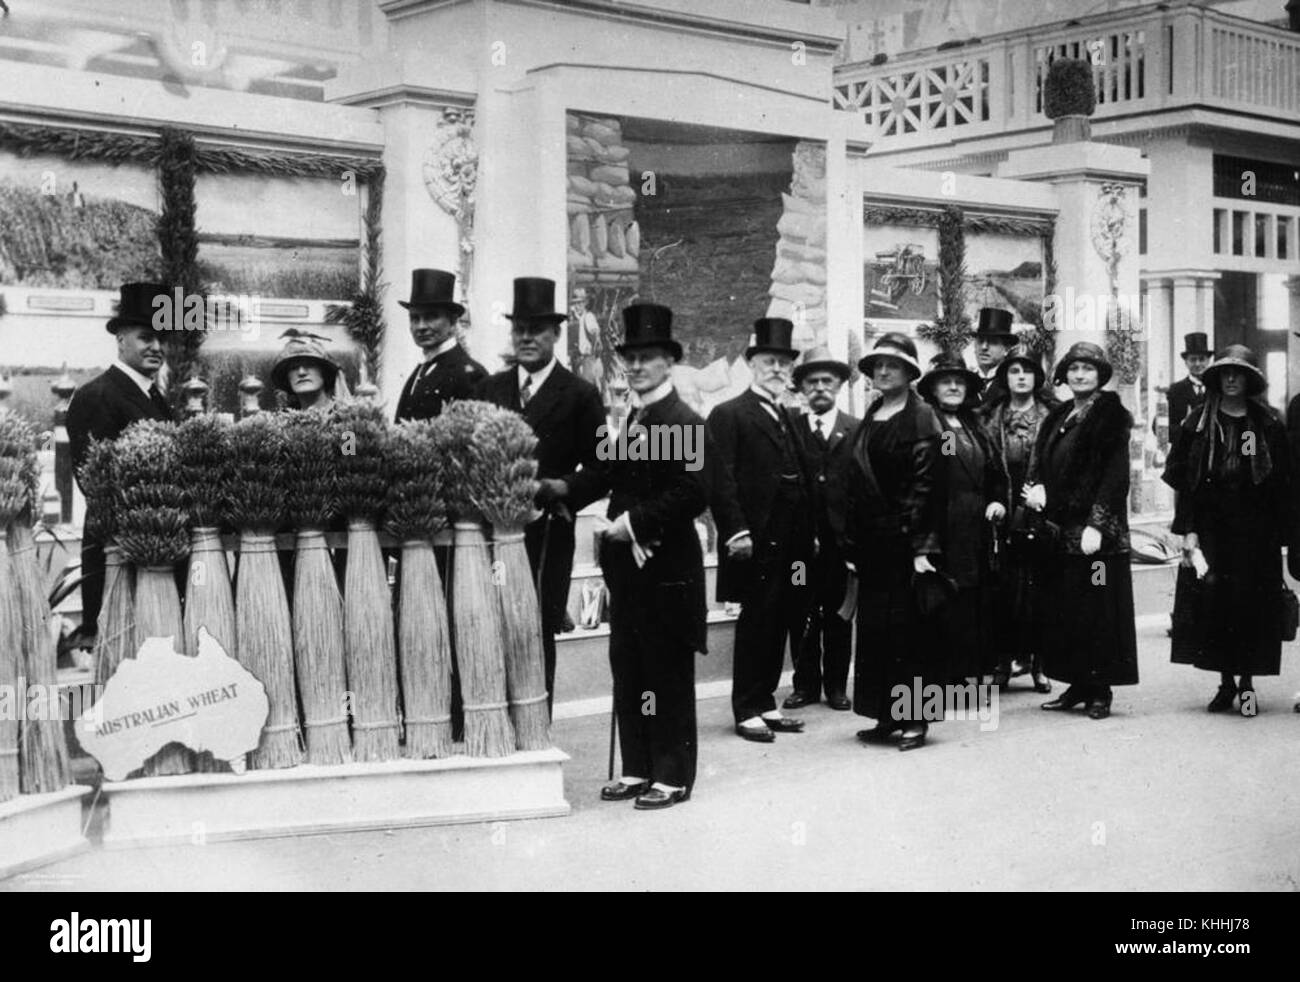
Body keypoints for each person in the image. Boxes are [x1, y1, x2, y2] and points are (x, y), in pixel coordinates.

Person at [569, 302, 708, 810]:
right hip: (630, 569)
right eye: (629, 357)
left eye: (647, 357)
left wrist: (630, 524)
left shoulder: (684, 421)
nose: (635, 366)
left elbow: (693, 492)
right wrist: (559, 492)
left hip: (668, 568)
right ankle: (637, 766)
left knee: (666, 670)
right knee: (630, 666)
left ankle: (672, 775)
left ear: (669, 362)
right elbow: (606, 475)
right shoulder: (633, 419)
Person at [476, 277, 607, 714]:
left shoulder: (581, 395)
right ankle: (493, 723)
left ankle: (535, 724)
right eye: (520, 329)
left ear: (556, 333)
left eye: (537, 330)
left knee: (535, 628)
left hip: (548, 532)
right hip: (493, 534)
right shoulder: (490, 389)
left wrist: (563, 487)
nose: (527, 338)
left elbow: (604, 468)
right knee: (491, 624)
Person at [1163, 345, 1299, 716]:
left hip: (1256, 534)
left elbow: (1281, 482)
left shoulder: (1267, 423)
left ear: (1250, 380)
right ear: (1217, 378)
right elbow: (1185, 482)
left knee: (1252, 608)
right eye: (1226, 373)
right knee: (1217, 607)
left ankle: (1248, 686)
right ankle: (1225, 684)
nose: (1232, 379)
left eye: (1239, 373)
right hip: (1213, 531)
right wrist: (1188, 530)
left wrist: (1283, 534)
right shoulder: (1198, 423)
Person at [828, 333, 942, 752]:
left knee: (909, 633)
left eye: (892, 365)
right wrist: (852, 544)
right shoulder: (873, 413)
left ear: (910, 373)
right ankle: (885, 714)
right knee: (876, 632)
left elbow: (928, 486)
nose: (882, 371)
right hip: (873, 545)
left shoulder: (923, 416)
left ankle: (915, 720)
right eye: (877, 365)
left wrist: (922, 547)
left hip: (905, 543)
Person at [708, 317, 815, 743]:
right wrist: (735, 532)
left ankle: (766, 701)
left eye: (784, 363)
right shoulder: (729, 413)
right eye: (769, 361)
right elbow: (720, 480)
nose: (777, 369)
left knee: (780, 618)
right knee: (756, 621)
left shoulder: (786, 414)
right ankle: (746, 708)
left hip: (791, 538)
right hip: (755, 539)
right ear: (752, 364)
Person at [1025, 342, 1138, 720]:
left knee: (1099, 608)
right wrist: (1038, 490)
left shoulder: (1111, 416)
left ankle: (1100, 690)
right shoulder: (1060, 415)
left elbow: (1115, 477)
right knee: (1069, 609)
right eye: (1073, 368)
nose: (1079, 375)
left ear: (1100, 375)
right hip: (1063, 533)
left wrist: (1097, 525)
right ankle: (1077, 684)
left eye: (1088, 369)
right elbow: (1044, 464)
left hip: (1098, 540)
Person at [67, 282, 177, 642]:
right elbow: (96, 487)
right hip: (118, 554)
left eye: (162, 339)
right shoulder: (96, 396)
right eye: (146, 337)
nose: (157, 347)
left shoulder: (154, 397)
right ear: (121, 340)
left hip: (156, 552)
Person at [917, 352, 1005, 685]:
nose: (954, 387)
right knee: (946, 601)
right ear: (933, 388)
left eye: (959, 382)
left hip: (976, 529)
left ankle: (968, 675)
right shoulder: (930, 423)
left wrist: (997, 500)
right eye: (946, 381)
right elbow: (938, 473)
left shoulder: (974, 425)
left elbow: (994, 472)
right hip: (944, 526)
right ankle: (945, 680)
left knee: (973, 602)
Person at [784, 345, 859, 712]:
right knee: (800, 612)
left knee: (839, 615)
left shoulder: (856, 430)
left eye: (827, 381)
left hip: (840, 546)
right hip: (800, 548)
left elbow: (864, 489)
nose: (819, 388)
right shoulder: (790, 430)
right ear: (801, 388)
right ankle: (805, 685)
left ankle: (836, 686)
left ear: (839, 385)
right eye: (811, 382)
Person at [980, 344, 1055, 692]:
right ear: (1005, 378)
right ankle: (1002, 663)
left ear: (1038, 378)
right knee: (1003, 592)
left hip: (1041, 512)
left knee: (1039, 591)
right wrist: (993, 501)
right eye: (1014, 371)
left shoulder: (1053, 416)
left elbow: (1065, 465)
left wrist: (1046, 493)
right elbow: (979, 468)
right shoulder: (988, 418)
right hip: (1003, 515)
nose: (1021, 377)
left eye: (1027, 371)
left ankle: (1039, 664)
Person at [393, 268, 486, 422]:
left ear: (453, 322)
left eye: (431, 317)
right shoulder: (422, 369)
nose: (421, 326)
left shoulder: (470, 374)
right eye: (415, 318)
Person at [269, 330, 348, 412]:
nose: (301, 373)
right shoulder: (282, 418)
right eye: (293, 368)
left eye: (309, 365)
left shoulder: (347, 415)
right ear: (287, 378)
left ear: (324, 372)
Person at [1156, 332, 1211, 437]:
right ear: (1186, 362)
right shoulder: (1175, 390)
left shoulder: (1215, 388)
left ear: (1208, 361)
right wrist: (1182, 430)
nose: (1197, 364)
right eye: (1193, 359)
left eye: (1201, 359)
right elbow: (1158, 425)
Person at [971, 307, 1017, 406]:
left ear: (1006, 349)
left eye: (993, 342)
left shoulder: (1012, 383)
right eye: (980, 341)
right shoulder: (966, 381)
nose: (984, 347)